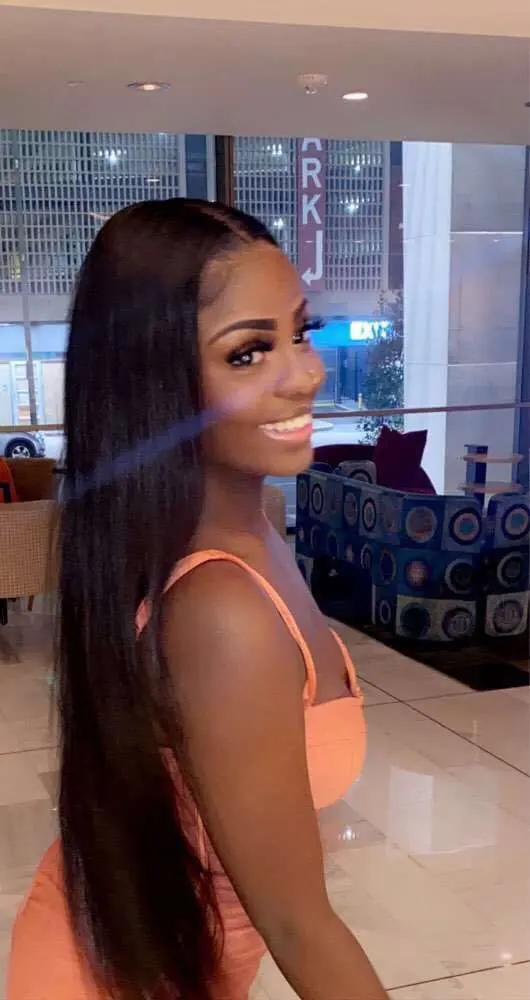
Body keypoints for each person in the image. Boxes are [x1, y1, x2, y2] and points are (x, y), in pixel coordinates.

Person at [8, 199, 387, 1000]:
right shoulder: (221, 608)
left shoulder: (253, 534)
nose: (306, 373)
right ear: (157, 385)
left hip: (171, 953)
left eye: (300, 332)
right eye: (249, 352)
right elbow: (297, 924)